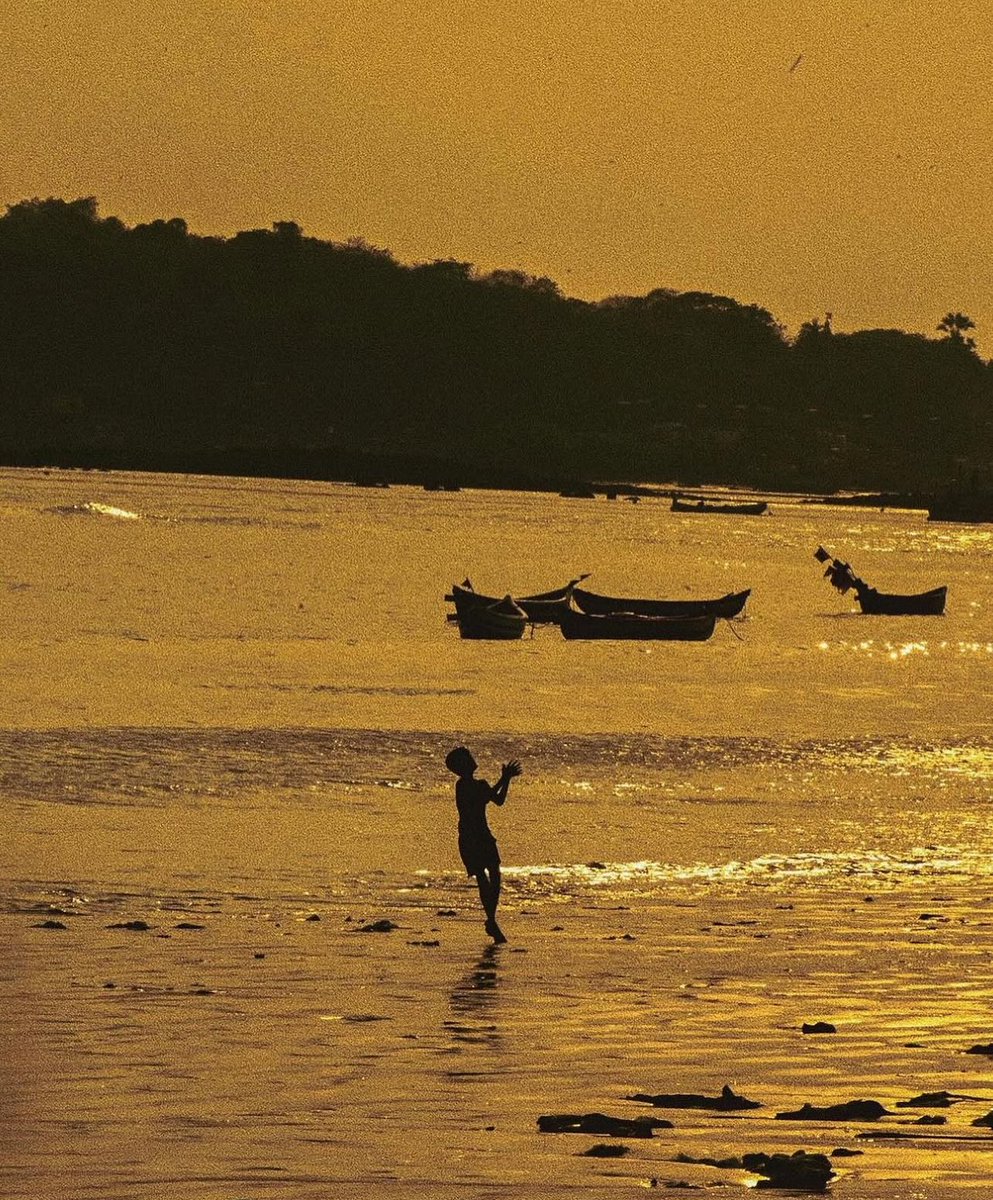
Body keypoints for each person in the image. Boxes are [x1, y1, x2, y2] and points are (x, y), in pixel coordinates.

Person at [445, 746, 521, 943]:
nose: (472, 759)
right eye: (467, 758)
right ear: (460, 766)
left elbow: (499, 800)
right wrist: (504, 778)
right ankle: (491, 921)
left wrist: (507, 780)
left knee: (495, 874)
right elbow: (483, 797)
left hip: (483, 835)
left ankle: (491, 919)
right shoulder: (462, 786)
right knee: (482, 876)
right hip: (471, 837)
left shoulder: (480, 784)